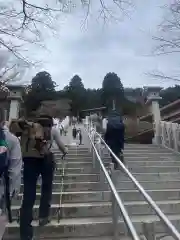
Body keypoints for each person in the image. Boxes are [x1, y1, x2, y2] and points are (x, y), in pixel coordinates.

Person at [10, 115, 68, 240]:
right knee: (46, 189)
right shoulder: (53, 130)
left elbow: (14, 132)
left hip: (29, 160)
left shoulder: (28, 128)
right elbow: (61, 145)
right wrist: (65, 152)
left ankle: (25, 230)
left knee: (29, 193)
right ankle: (43, 217)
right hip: (46, 160)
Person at [0, 113, 22, 239]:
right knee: (2, 215)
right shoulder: (12, 139)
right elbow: (15, 166)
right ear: (4, 121)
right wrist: (14, 188)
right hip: (3, 185)